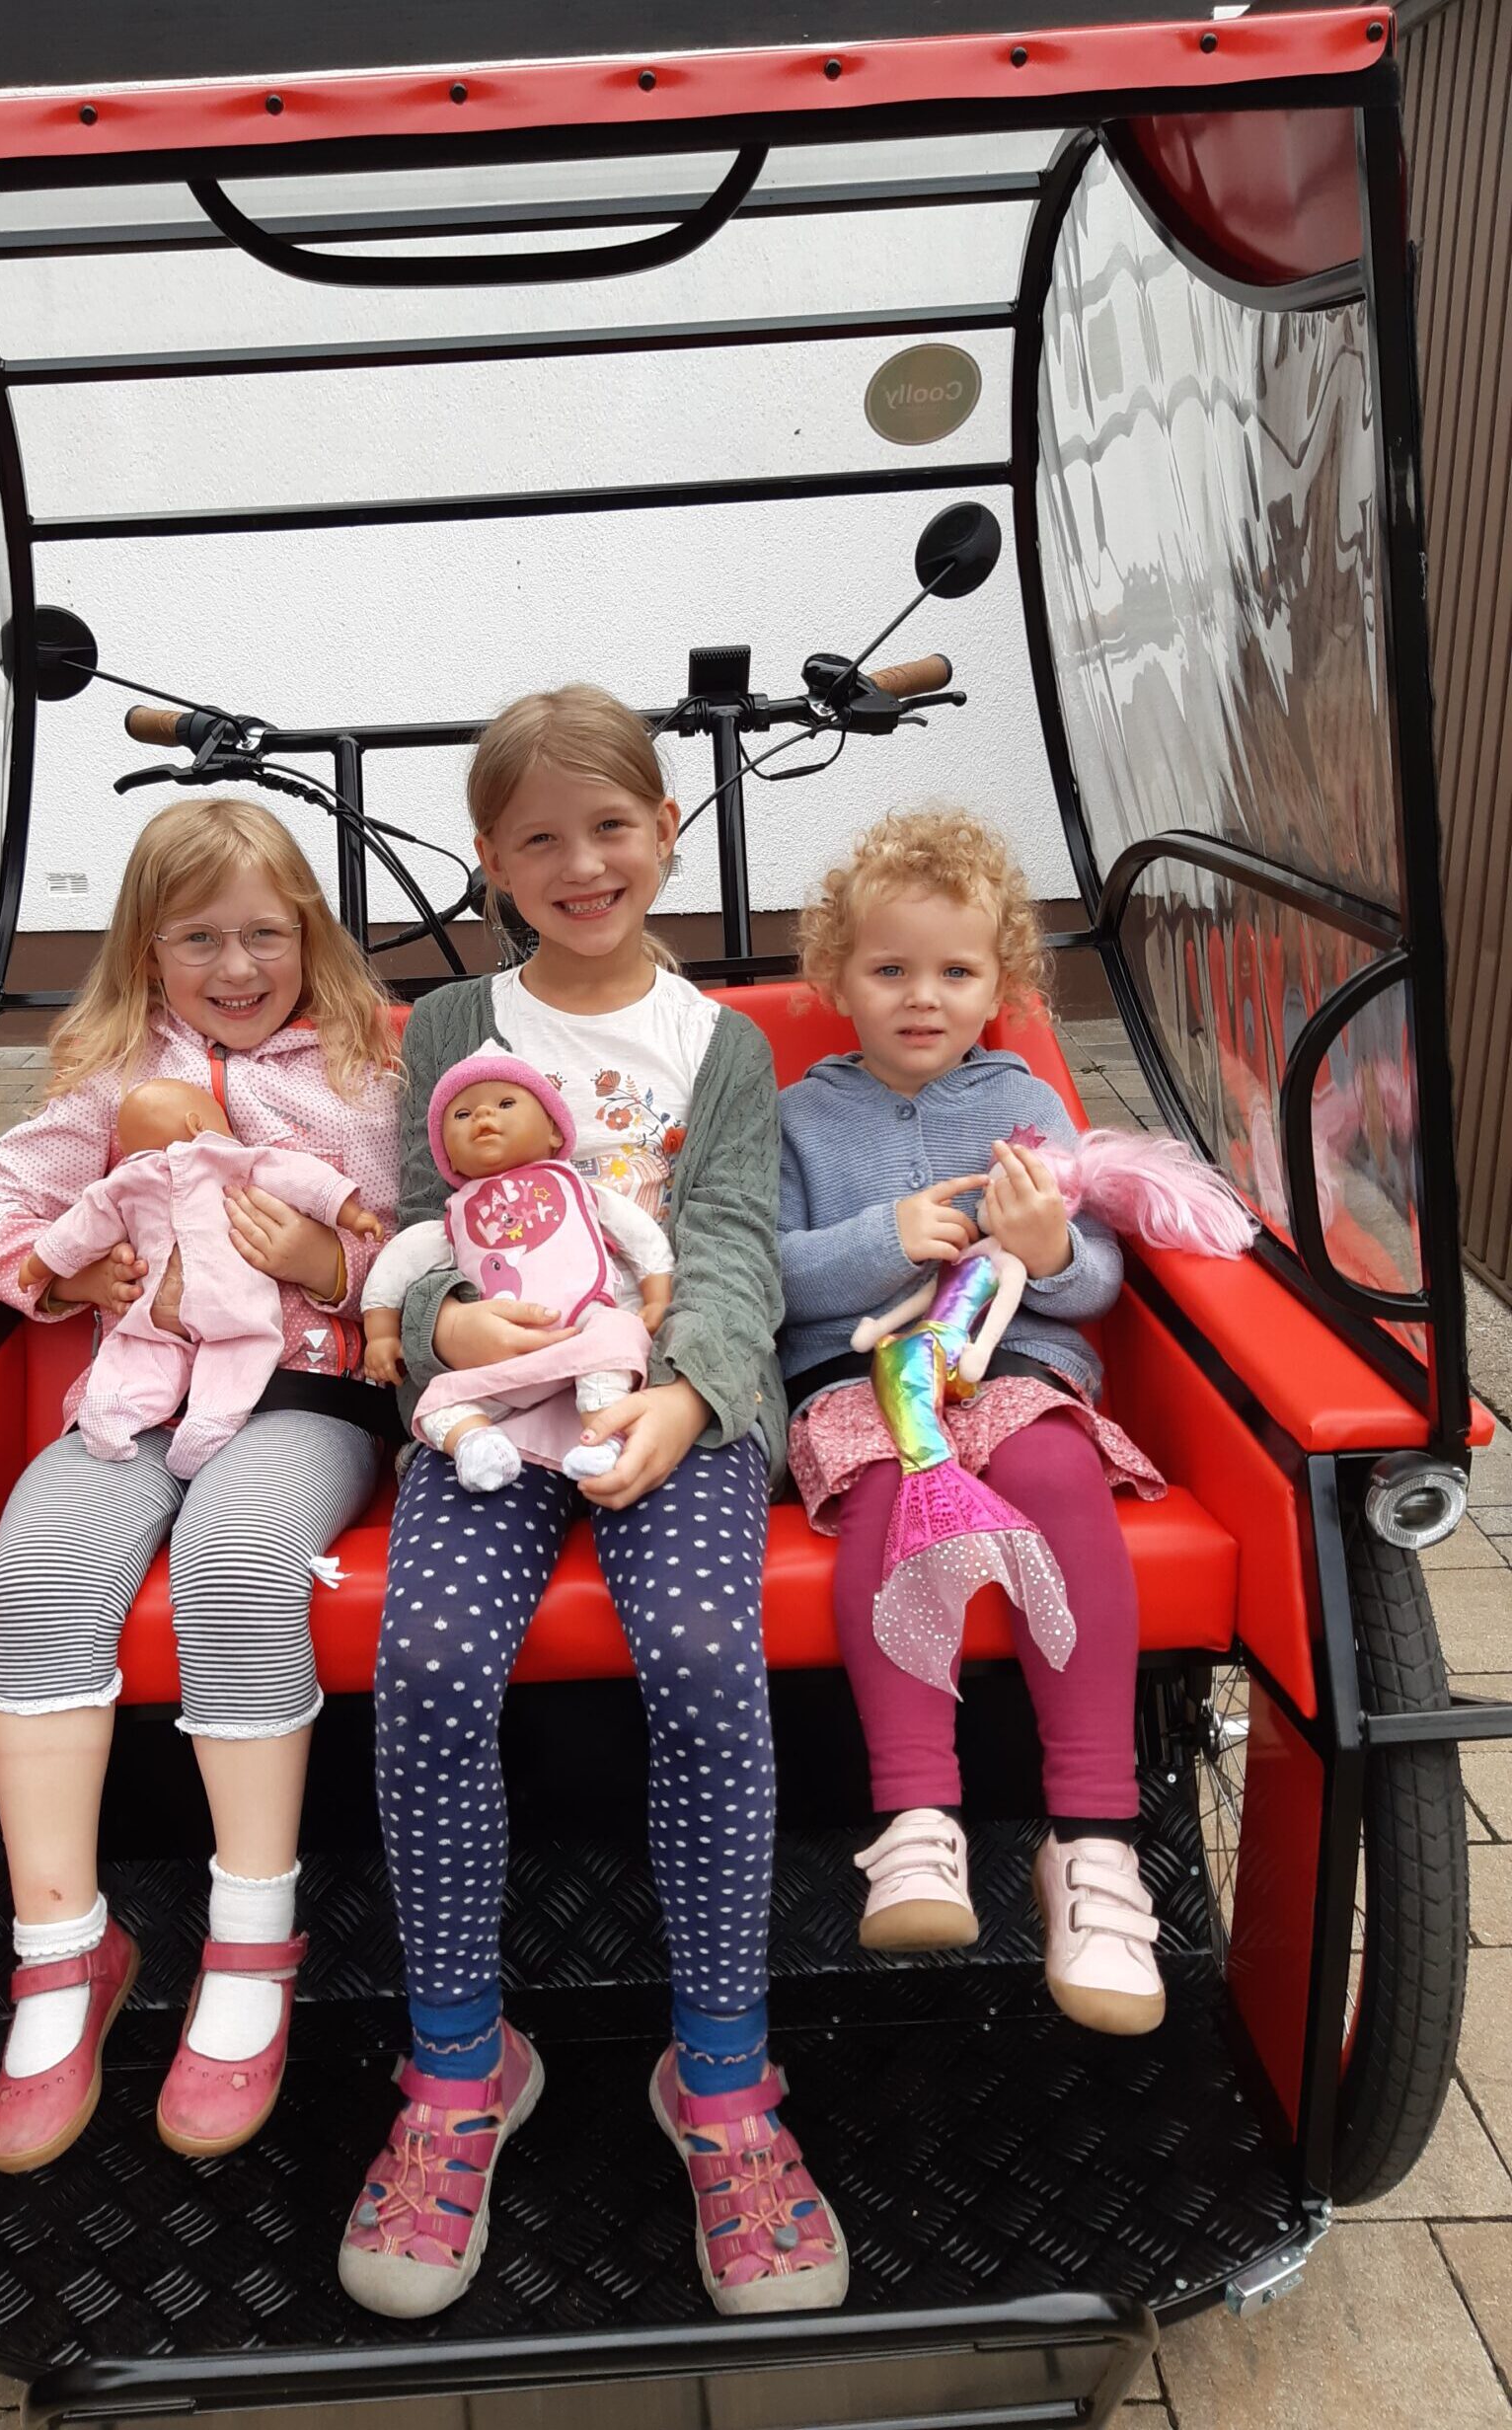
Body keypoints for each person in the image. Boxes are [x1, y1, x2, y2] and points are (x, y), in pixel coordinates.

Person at [339, 684, 847, 2323]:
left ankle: (722, 2079)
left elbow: (730, 1242)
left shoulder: (722, 1047)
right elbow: (420, 1230)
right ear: (490, 860)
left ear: (666, 833)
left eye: (611, 826)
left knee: (702, 1662)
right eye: (540, 838)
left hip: (661, 1400)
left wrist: (689, 1397)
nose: (581, 863)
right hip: (494, 1408)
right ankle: (460, 2066)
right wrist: (445, 1328)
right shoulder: (453, 1028)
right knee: (428, 1668)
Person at [0, 796, 398, 2169]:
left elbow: (426, 1234)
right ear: (147, 950)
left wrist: (333, 1267)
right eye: (198, 938)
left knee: (235, 1559)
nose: (237, 966)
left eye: (266, 933)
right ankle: (63, 1947)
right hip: (143, 1391)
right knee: (37, 1571)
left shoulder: (360, 1073)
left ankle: (253, 1934)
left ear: (309, 937)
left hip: (309, 1390)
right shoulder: (115, 1074)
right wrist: (68, 1274)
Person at [778, 804, 1188, 2037]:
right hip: (864, 1380)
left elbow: (1097, 1279)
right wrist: (883, 1238)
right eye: (890, 969)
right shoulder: (802, 1116)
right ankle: (917, 1814)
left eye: (956, 971)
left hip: (1017, 1364)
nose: (923, 997)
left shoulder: (1025, 1100)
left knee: (1057, 1474)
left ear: (999, 981)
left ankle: (1094, 1836)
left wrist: (1048, 1246)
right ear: (836, 976)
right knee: (896, 1490)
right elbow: (765, 1272)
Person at [18, 1074, 381, 1479]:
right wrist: (69, 1281)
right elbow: (305, 1181)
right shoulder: (225, 1162)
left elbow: (83, 1224)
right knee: (184, 1347)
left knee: (213, 1346)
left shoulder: (136, 1182)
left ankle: (174, 1417)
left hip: (295, 1390)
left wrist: (44, 1263)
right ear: (198, 1123)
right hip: (192, 1316)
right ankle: (137, 1412)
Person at [359, 1050, 672, 1488]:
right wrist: (381, 1333)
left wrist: (657, 1296)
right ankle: (478, 1445)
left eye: (506, 1103)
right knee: (435, 1400)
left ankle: (601, 1432)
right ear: (448, 1158)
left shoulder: (580, 1191)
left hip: (585, 1330)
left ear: (553, 1131)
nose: (483, 1115)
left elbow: (641, 1235)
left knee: (622, 1328)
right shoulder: (455, 1218)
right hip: (501, 1362)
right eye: (462, 1114)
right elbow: (397, 1264)